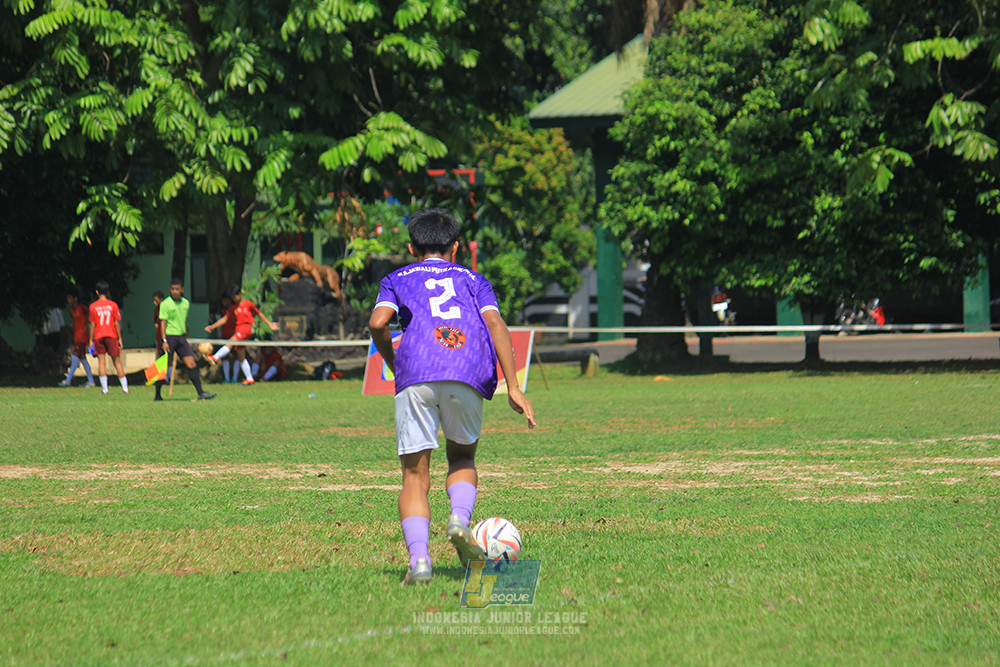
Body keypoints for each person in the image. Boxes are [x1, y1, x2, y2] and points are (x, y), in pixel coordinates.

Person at [368, 207, 536, 585]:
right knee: (461, 456)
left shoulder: (395, 278)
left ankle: (420, 563)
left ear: (413, 248)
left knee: (414, 474)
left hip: (417, 373)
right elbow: (496, 324)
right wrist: (514, 386)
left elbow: (378, 322)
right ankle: (460, 520)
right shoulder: (475, 280)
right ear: (456, 247)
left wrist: (393, 359)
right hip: (468, 370)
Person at [154, 277, 216, 402]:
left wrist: (186, 334)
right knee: (163, 367)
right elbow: (163, 324)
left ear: (182, 290)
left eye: (177, 289)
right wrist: (164, 341)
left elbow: (184, 321)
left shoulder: (185, 303)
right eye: (172, 289)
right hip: (169, 338)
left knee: (191, 364)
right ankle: (158, 395)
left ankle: (201, 393)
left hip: (181, 338)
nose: (175, 292)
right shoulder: (165, 304)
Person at [204, 286, 279, 385]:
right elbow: (225, 319)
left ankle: (215, 357)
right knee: (241, 356)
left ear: (240, 294)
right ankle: (249, 378)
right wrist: (212, 327)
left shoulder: (248, 304)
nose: (234, 299)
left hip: (245, 328)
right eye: (232, 297)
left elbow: (259, 313)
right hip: (238, 329)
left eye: (235, 296)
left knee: (230, 342)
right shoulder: (233, 307)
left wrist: (269, 324)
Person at [88, 280, 129, 395]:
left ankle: (105, 389)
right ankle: (125, 389)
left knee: (102, 362)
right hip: (111, 335)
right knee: (117, 362)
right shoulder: (113, 305)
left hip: (99, 336)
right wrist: (119, 338)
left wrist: (91, 340)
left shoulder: (93, 307)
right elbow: (116, 323)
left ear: (96, 292)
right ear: (108, 292)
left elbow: (92, 325)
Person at [58, 290, 96, 388]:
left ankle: (68, 380)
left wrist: (87, 328)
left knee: (75, 356)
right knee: (82, 358)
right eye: (67, 298)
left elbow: (90, 316)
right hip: (77, 336)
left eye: (70, 298)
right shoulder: (72, 310)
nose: (68, 300)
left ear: (75, 298)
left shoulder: (82, 308)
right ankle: (91, 381)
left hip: (82, 337)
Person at [152, 290, 165, 357]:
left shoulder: (166, 308)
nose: (154, 303)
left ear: (161, 300)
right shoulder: (157, 309)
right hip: (159, 333)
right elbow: (155, 318)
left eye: (156, 301)